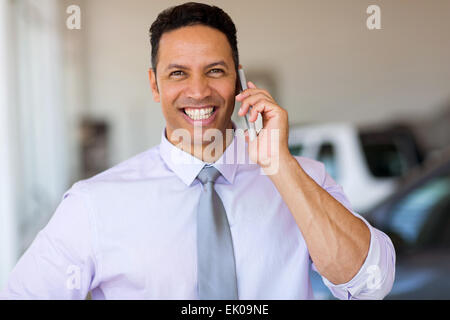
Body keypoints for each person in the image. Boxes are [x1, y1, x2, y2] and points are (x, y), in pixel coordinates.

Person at [0, 2, 395, 300]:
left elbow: (370, 283)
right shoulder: (93, 204)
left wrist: (282, 167)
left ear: (240, 80)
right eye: (178, 73)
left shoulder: (303, 178)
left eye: (215, 71)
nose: (198, 91)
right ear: (154, 86)